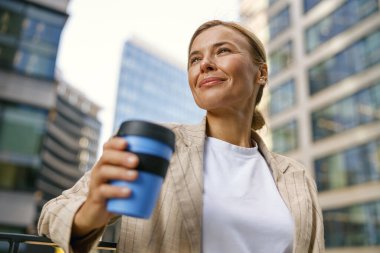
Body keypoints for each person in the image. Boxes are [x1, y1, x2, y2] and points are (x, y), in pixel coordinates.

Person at [38, 20, 325, 253]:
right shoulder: (156, 146)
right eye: (195, 59)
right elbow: (52, 215)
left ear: (261, 72)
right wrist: (93, 210)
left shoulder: (296, 177)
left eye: (222, 51)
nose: (205, 64)